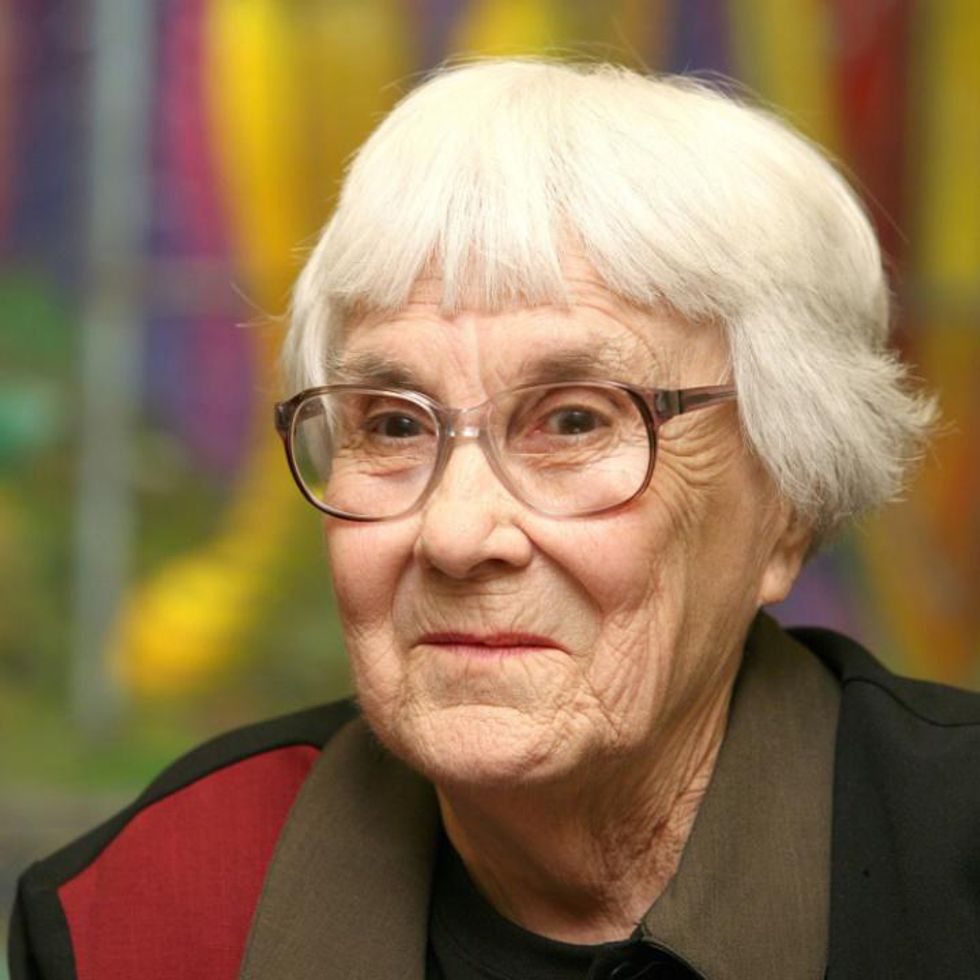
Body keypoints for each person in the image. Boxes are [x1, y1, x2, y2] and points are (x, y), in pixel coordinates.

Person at [9, 59, 980, 980]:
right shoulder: (144, 908)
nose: (455, 534)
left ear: (787, 502)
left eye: (574, 421)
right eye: (393, 424)